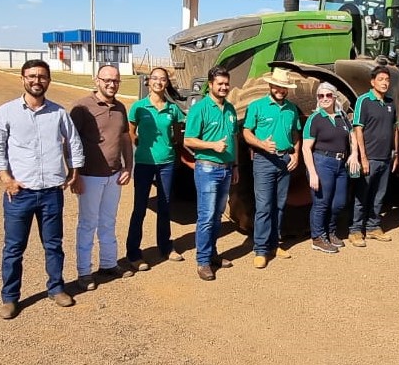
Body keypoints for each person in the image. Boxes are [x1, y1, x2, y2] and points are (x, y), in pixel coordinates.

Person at [0, 59, 85, 319]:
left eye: (42, 76)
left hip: (51, 192)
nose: (37, 81)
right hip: (19, 193)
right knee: (13, 248)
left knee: (53, 245)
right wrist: (6, 178)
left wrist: (74, 171)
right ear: (23, 79)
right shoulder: (6, 112)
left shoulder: (58, 113)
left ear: (48, 80)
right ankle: (10, 298)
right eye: (31, 76)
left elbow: (73, 142)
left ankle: (56, 288)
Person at [69, 64, 133, 291]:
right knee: (88, 224)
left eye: (115, 80)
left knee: (108, 221)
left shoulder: (120, 108)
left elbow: (125, 138)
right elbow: (70, 142)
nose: (111, 84)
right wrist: (74, 174)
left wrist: (128, 166)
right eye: (107, 80)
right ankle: (84, 272)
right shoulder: (82, 108)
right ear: (97, 80)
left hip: (114, 175)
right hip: (90, 176)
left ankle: (108, 263)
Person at [183, 66, 240, 281]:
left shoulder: (231, 109)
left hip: (227, 169)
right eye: (220, 84)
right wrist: (212, 145)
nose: (224, 87)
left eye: (226, 83)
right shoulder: (200, 109)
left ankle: (213, 253)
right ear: (210, 85)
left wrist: (236, 165)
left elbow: (234, 139)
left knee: (217, 216)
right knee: (206, 217)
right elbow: (189, 140)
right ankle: (203, 261)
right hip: (207, 168)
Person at [126, 67, 186, 267]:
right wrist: (141, 145)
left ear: (167, 83)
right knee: (140, 207)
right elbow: (131, 132)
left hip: (166, 163)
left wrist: (171, 149)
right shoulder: (139, 107)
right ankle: (134, 253)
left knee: (165, 206)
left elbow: (177, 136)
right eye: (155, 78)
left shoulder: (173, 109)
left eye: (163, 79)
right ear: (148, 82)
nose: (159, 82)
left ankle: (166, 246)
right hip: (144, 163)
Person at [243, 67, 302, 269]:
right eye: (277, 86)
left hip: (285, 160)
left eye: (284, 87)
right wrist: (261, 144)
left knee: (279, 205)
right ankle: (261, 249)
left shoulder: (291, 109)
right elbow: (246, 132)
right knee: (264, 206)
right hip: (264, 160)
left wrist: (296, 154)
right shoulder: (257, 106)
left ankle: (274, 244)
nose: (280, 90)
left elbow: (295, 134)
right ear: (270, 85)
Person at [302, 81, 359, 254]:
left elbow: (352, 136)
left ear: (334, 97)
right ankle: (318, 237)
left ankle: (331, 232)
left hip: (341, 164)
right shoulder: (315, 119)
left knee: (339, 202)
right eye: (321, 96)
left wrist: (354, 154)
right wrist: (312, 173)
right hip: (322, 162)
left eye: (328, 95)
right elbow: (306, 148)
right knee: (321, 203)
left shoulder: (342, 116)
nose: (325, 98)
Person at [350, 65, 398, 246]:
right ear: (372, 82)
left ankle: (373, 227)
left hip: (386, 157)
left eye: (387, 80)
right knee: (362, 195)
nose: (385, 83)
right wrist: (363, 157)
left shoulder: (391, 103)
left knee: (379, 195)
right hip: (369, 157)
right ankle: (355, 230)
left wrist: (396, 153)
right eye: (381, 79)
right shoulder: (364, 101)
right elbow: (358, 129)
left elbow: (394, 129)